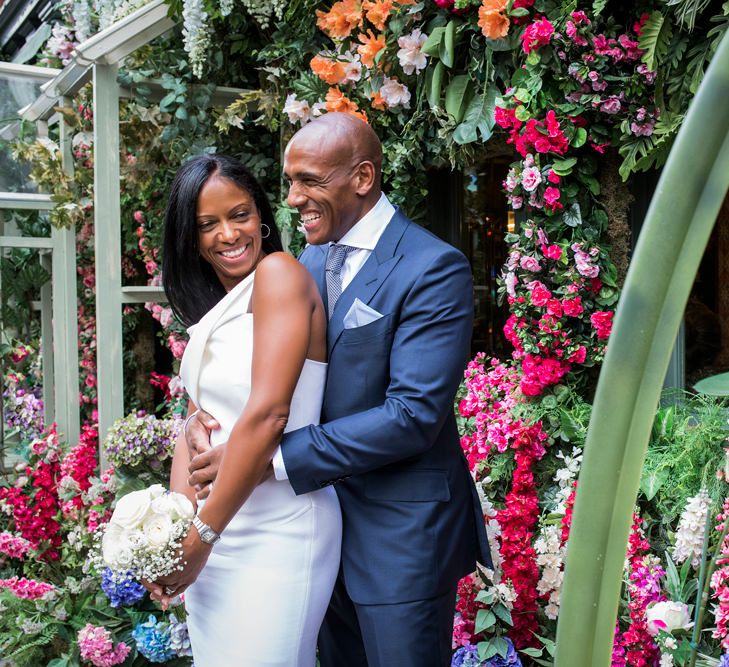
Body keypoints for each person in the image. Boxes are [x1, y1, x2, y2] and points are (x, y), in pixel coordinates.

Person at [184, 113, 492, 666]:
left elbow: (412, 415)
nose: (294, 197)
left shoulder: (433, 268)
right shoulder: (309, 260)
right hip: (311, 533)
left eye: (310, 181)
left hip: (401, 537)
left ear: (364, 178)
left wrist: (268, 458)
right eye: (290, 181)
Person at [149, 154, 342, 667]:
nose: (228, 234)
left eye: (239, 215)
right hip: (214, 531)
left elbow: (267, 416)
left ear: (262, 215)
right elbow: (196, 424)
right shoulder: (219, 305)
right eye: (207, 224)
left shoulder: (280, 275)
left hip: (279, 526)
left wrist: (199, 539)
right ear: (190, 238)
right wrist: (172, 534)